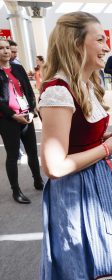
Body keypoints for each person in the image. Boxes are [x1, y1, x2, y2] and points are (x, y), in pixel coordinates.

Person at [39, 12, 112, 279]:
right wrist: (107, 149)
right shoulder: (58, 91)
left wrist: (103, 140)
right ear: (76, 43)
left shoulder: (86, 84)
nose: (107, 46)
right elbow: (54, 167)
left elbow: (79, 141)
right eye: (100, 39)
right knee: (98, 263)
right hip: (77, 194)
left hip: (100, 181)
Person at [0, 39, 43, 204]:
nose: (5, 51)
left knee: (33, 151)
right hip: (8, 120)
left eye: (7, 48)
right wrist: (12, 115)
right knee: (12, 156)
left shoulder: (17, 68)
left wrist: (32, 110)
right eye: (1, 48)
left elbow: (28, 90)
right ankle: (16, 190)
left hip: (26, 115)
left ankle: (38, 180)